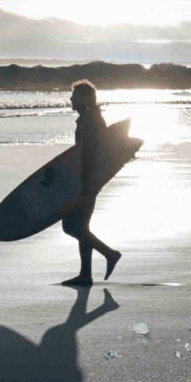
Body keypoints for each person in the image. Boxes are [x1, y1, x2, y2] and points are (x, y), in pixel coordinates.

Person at [60, 80, 121, 286]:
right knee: (80, 226)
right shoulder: (89, 119)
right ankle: (85, 274)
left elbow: (91, 155)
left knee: (72, 226)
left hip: (86, 181)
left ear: (85, 98)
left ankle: (110, 254)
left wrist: (84, 185)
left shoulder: (92, 121)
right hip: (86, 180)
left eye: (75, 96)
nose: (71, 99)